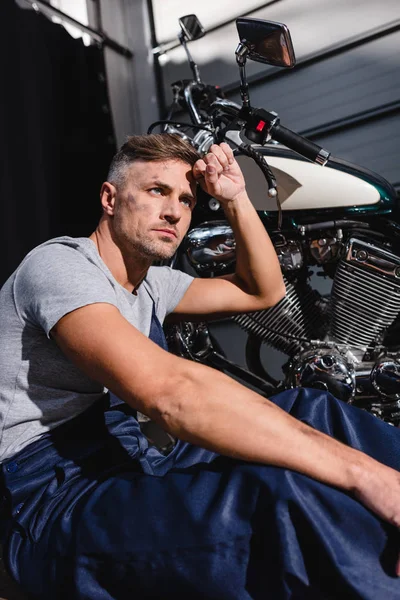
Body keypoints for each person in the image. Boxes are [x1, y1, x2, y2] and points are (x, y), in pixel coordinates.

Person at [0, 133, 400, 600]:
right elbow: (170, 394)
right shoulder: (59, 267)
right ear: (110, 198)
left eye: (187, 200)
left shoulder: (152, 286)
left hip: (133, 462)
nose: (175, 211)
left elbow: (261, 292)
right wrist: (365, 475)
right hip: (51, 502)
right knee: (285, 494)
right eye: (157, 191)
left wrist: (234, 198)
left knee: (315, 410)